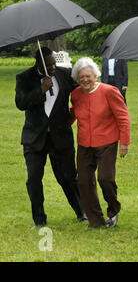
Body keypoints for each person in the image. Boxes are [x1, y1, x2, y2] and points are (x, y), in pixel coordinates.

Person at [15, 47, 86, 228]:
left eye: (54, 62)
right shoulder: (24, 78)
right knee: (34, 180)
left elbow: (82, 93)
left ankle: (82, 212)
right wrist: (41, 90)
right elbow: (21, 103)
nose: (53, 66)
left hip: (61, 137)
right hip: (34, 139)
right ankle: (39, 220)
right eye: (48, 64)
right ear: (38, 63)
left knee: (69, 177)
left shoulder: (66, 74)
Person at [70, 57, 130, 228]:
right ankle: (95, 220)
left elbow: (123, 117)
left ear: (95, 75)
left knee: (105, 178)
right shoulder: (75, 94)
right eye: (81, 77)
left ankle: (113, 210)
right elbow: (74, 113)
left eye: (88, 76)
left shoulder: (109, 91)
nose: (85, 80)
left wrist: (124, 142)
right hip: (84, 144)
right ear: (77, 78)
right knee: (83, 181)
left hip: (107, 142)